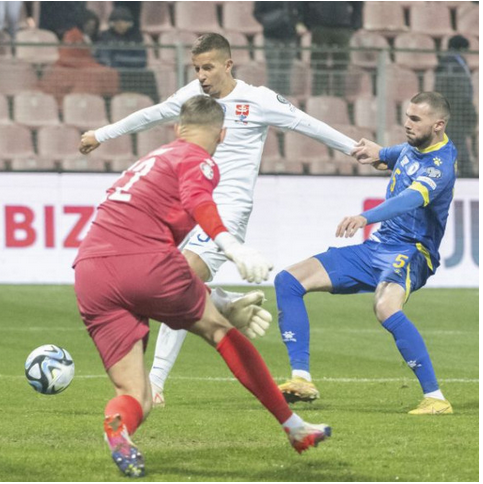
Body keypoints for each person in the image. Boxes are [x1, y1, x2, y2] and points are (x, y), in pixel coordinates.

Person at [79, 33, 358, 407]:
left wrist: (356, 149)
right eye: (196, 68)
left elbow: (307, 124)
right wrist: (101, 134)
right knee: (171, 279)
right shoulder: (193, 98)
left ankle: (157, 380)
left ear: (229, 65)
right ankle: (218, 305)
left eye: (208, 67)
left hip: (227, 209)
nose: (202, 76)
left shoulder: (258, 100)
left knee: (184, 276)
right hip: (188, 207)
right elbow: (153, 114)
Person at [74, 95, 331, 478]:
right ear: (222, 134)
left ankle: (119, 428)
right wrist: (233, 247)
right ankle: (294, 428)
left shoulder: (151, 159)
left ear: (177, 128)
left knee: (135, 396)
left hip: (90, 271)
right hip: (143, 261)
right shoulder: (199, 160)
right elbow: (199, 203)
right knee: (220, 331)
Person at [277, 92, 456, 416]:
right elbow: (386, 155)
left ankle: (436, 398)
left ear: (438, 125)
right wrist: (373, 151)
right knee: (288, 280)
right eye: (407, 115)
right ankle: (301, 379)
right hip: (376, 248)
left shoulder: (441, 165)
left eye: (416, 119)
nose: (407, 124)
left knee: (386, 307)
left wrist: (365, 217)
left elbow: (411, 200)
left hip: (411, 251)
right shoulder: (411, 148)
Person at [434, 35, 477, 177]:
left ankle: (458, 171)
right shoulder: (449, 63)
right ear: (462, 48)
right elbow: (457, 89)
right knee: (457, 142)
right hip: (454, 110)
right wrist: (467, 108)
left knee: (455, 141)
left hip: (457, 110)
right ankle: (467, 173)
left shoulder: (455, 62)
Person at [96, 6, 158, 101]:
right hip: (115, 73)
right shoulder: (105, 37)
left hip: (134, 73)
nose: (121, 25)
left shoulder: (136, 37)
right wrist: (124, 61)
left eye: (124, 22)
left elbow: (142, 60)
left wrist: (119, 59)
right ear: (112, 23)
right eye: (118, 22)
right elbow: (106, 60)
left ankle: (154, 105)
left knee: (148, 75)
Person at [301, 1, 363, 97]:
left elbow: (358, 4)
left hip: (343, 27)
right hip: (319, 26)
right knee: (319, 62)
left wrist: (356, 24)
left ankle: (339, 96)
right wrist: (308, 22)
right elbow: (304, 4)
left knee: (341, 64)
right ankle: (318, 95)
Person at [253, 1, 305, 96]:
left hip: (290, 36)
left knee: (286, 72)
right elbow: (257, 14)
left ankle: (286, 100)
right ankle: (272, 100)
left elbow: (302, 10)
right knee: (273, 72)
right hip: (271, 37)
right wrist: (269, 22)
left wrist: (295, 21)